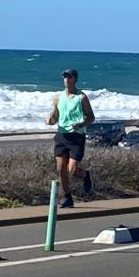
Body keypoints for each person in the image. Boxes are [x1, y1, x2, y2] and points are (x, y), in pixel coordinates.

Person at [48, 69, 95, 208]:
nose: (66, 80)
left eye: (69, 77)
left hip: (76, 136)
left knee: (72, 170)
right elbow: (55, 114)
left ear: (75, 79)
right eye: (65, 77)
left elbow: (91, 117)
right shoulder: (58, 97)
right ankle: (66, 197)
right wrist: (50, 118)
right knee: (60, 168)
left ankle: (85, 175)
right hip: (62, 135)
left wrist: (80, 124)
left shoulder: (82, 97)